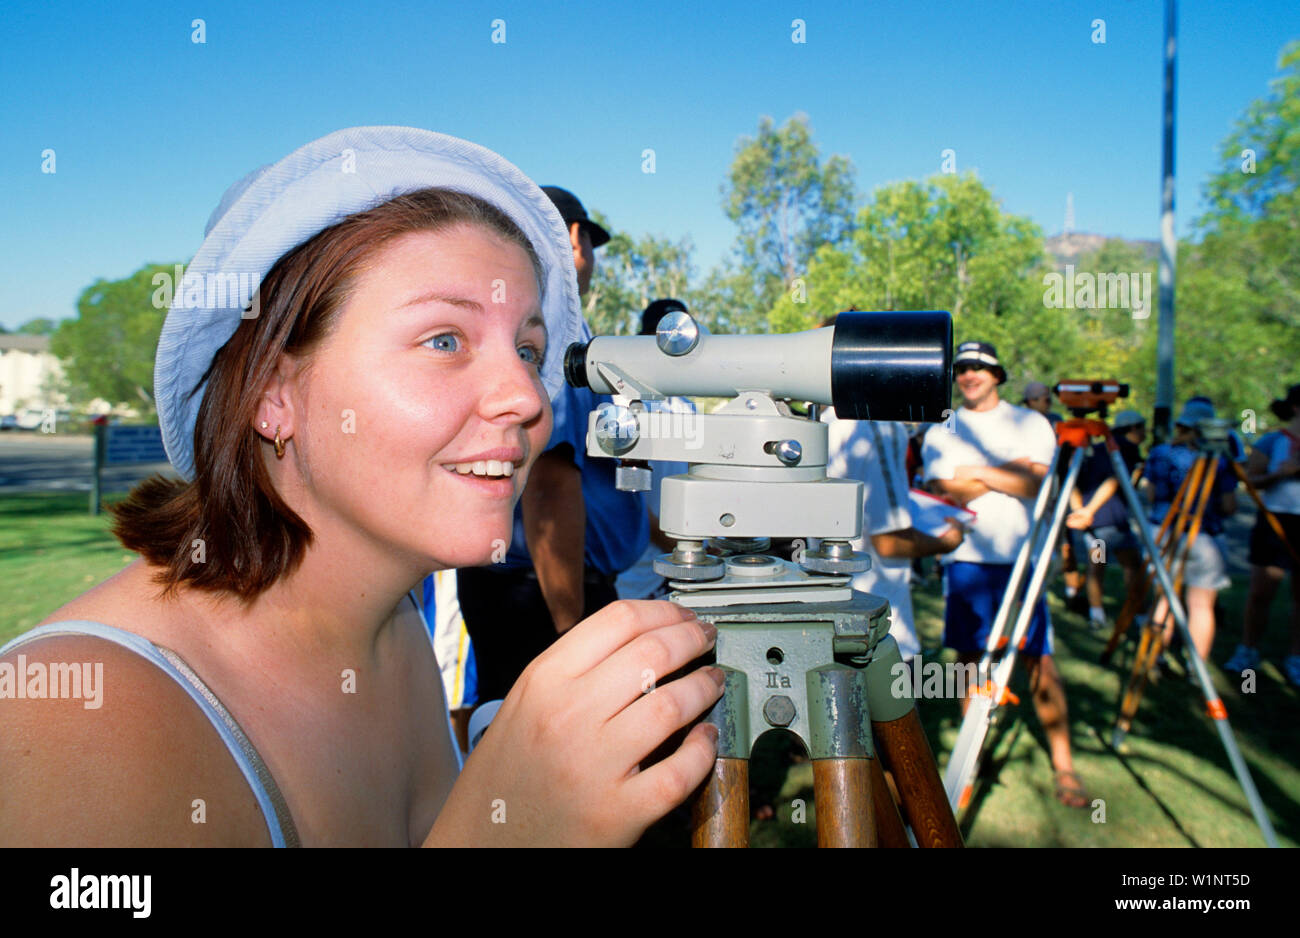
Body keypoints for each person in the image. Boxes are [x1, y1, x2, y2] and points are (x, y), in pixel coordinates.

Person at [0, 127, 721, 847]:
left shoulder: (390, 630)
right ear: (271, 394)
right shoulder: (74, 720)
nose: (527, 398)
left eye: (527, 349)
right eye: (445, 340)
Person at [454, 185, 650, 705]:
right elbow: (549, 481)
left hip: (526, 583)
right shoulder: (550, 328)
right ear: (575, 239)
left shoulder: (524, 322)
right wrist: (572, 634)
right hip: (545, 591)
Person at [923, 341, 1089, 808]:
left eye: (979, 367)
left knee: (1039, 660)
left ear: (998, 374)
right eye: (962, 368)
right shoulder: (944, 424)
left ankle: (1065, 767)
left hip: (1022, 563)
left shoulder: (1031, 422)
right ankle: (970, 761)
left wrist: (973, 472)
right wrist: (1006, 471)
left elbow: (1037, 481)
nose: (969, 374)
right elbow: (941, 489)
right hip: (965, 561)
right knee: (970, 660)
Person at [820, 317, 964, 663]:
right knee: (895, 714)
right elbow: (890, 541)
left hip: (831, 615)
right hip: (879, 627)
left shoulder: (823, 421)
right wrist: (948, 540)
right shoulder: (876, 426)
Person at [616, 299, 699, 602]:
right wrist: (672, 544)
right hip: (635, 575)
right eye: (663, 341)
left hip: (681, 566)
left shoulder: (688, 406)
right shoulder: (624, 403)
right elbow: (627, 497)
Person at [1145, 398, 1238, 663]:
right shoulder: (1219, 461)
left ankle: (1154, 658)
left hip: (1163, 531)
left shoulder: (1160, 453)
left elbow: (1152, 495)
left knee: (1163, 600)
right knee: (1201, 606)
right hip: (1205, 536)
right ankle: (1195, 666)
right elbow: (1229, 506)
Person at [1223, 384, 1300, 685]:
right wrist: (1279, 473)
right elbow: (1250, 482)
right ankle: (1248, 651)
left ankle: (1296, 657)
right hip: (1274, 520)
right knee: (1260, 592)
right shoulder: (1272, 441)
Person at [1064, 409, 1146, 632]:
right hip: (1111, 523)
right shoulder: (1124, 450)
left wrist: (1081, 511)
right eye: (1142, 427)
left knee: (1097, 566)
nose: (1145, 433)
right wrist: (1087, 511)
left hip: (1092, 525)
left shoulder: (1093, 451)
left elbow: (1073, 481)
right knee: (1131, 566)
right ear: (1133, 428)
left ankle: (1096, 614)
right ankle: (1139, 615)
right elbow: (1113, 481)